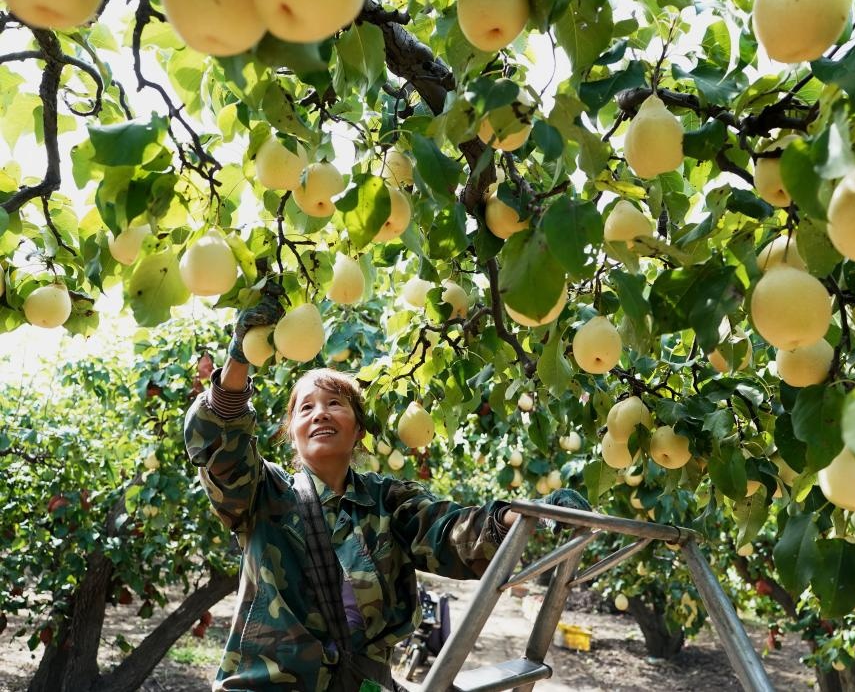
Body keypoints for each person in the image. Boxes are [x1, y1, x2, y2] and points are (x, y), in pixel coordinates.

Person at [183, 285, 591, 692]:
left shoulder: (388, 502)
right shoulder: (263, 494)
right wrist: (239, 358)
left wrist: (523, 513)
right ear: (292, 434)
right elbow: (218, 445)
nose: (320, 413)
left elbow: (451, 532)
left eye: (335, 403)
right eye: (306, 408)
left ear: (359, 430)